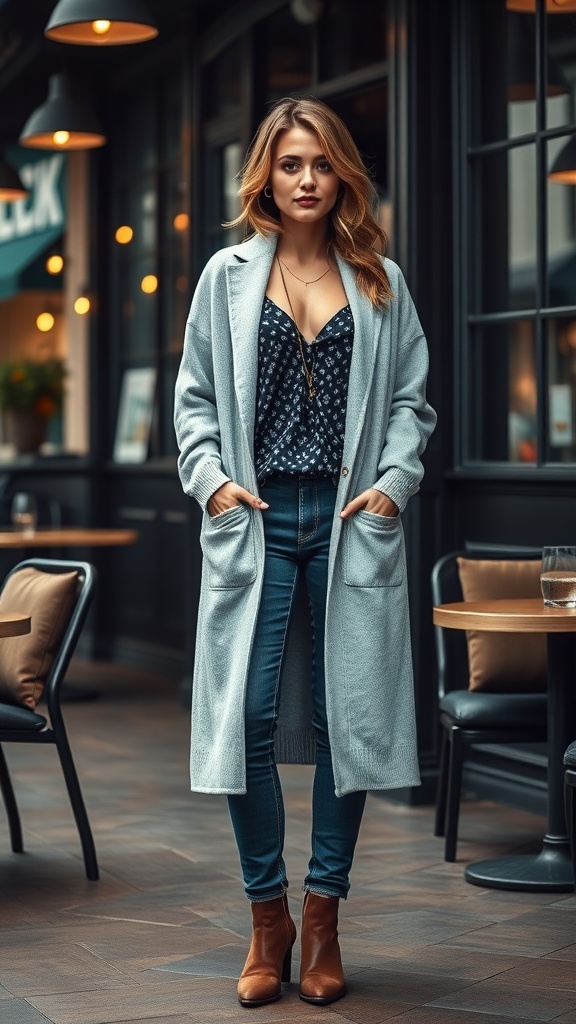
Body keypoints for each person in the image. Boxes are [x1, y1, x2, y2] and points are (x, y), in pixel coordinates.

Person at [174, 96, 436, 1009]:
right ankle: (267, 919)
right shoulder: (226, 277)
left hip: (347, 517)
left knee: (344, 722)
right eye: (290, 163)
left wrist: (392, 484)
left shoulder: (380, 280)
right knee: (244, 720)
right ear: (267, 175)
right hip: (253, 517)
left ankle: (323, 918)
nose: (307, 179)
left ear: (343, 175)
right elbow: (194, 399)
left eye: (322, 163)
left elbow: (409, 403)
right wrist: (211, 481)